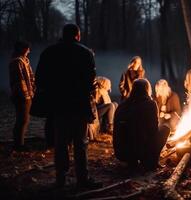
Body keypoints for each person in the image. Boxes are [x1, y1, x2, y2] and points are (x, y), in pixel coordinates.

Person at [35, 24, 101, 189]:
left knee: (60, 142)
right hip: (79, 104)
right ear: (77, 36)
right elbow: (91, 81)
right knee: (81, 143)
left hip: (58, 105)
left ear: (62, 35)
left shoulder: (49, 53)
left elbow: (40, 80)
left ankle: (60, 179)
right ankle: (82, 179)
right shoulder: (85, 53)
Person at [114, 78, 170, 171]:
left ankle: (132, 162)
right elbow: (153, 130)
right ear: (147, 89)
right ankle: (151, 162)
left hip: (121, 152)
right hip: (141, 151)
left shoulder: (123, 105)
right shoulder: (150, 104)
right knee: (165, 129)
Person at [8, 41, 35, 151]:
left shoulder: (25, 61)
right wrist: (25, 95)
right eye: (27, 48)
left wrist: (33, 89)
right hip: (21, 95)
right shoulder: (17, 62)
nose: (29, 51)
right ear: (22, 49)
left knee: (24, 119)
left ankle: (20, 143)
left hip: (26, 94)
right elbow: (19, 80)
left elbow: (30, 77)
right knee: (22, 119)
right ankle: (18, 145)